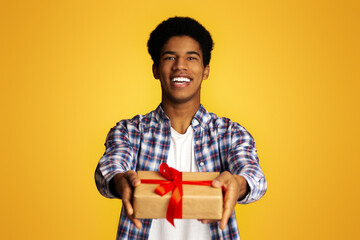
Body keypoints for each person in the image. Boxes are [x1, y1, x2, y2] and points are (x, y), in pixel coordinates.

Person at [95, 16, 267, 240]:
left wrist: (238, 183)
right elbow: (109, 167)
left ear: (205, 70)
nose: (180, 66)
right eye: (170, 57)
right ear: (156, 69)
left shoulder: (230, 133)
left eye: (191, 58)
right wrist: (119, 180)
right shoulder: (130, 131)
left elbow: (255, 176)